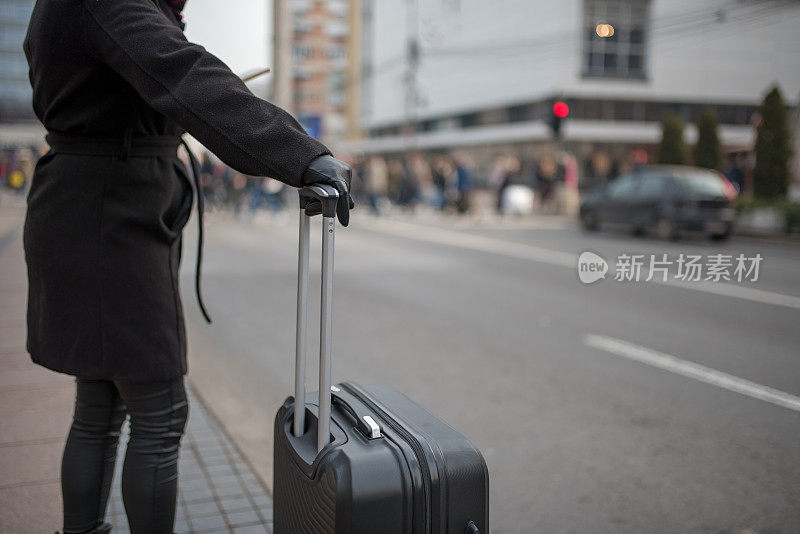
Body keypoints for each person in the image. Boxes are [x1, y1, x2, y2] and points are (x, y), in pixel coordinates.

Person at [23, 1, 353, 533]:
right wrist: (302, 154)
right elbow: (184, 73)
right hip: (109, 220)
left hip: (92, 211)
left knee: (101, 407)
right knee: (160, 412)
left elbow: (137, 78)